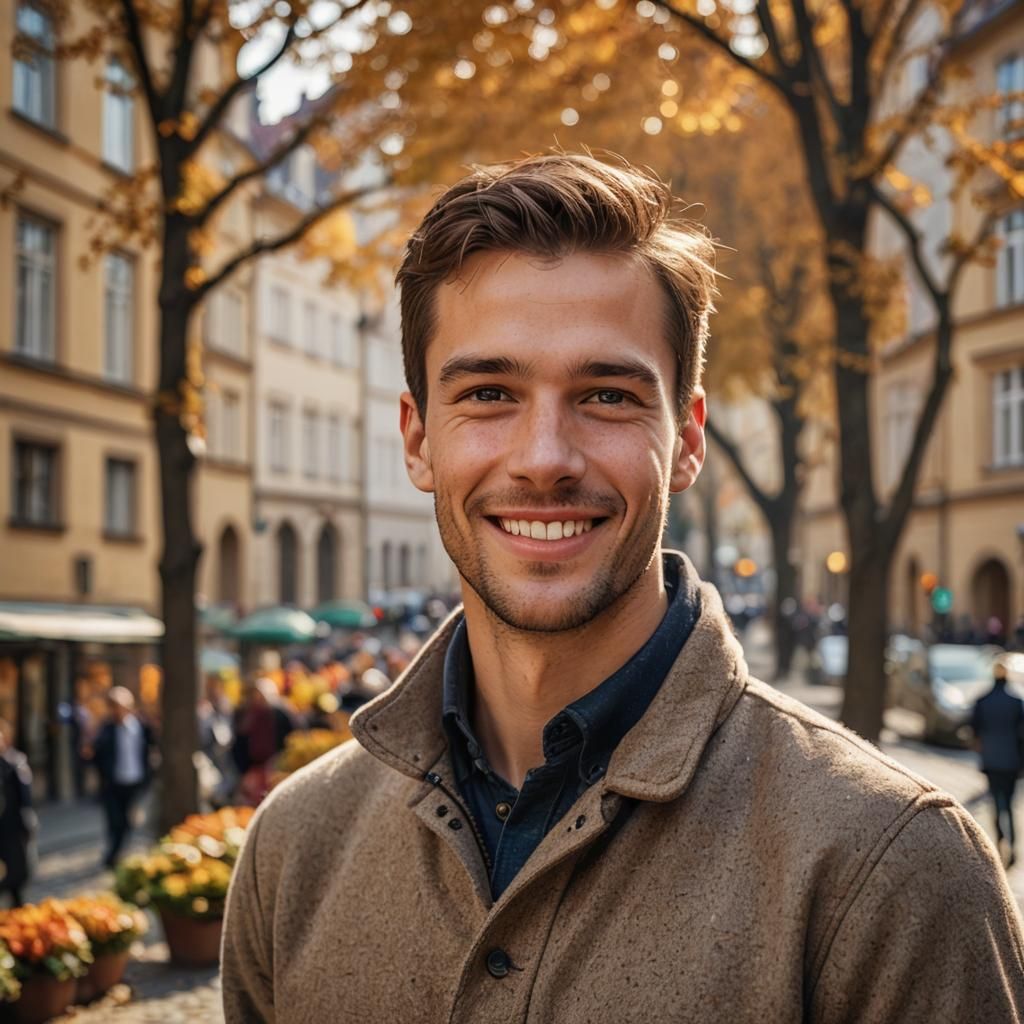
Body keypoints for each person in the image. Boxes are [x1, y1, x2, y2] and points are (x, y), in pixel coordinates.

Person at [222, 154, 1024, 1022]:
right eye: (489, 393)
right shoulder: (294, 850)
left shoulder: (891, 869)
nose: (544, 460)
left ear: (686, 441)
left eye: (606, 395)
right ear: (418, 440)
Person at [90, 687, 155, 869]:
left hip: (134, 781)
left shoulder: (140, 726)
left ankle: (118, 852)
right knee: (114, 820)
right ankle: (113, 854)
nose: (117, 711)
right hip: (113, 783)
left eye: (119, 706)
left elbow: (150, 749)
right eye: (113, 707)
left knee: (127, 821)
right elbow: (96, 754)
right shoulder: (106, 729)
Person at [970, 660, 1024, 867]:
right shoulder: (1016, 702)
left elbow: (975, 730)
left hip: (991, 760)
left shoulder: (983, 701)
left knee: (995, 803)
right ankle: (1013, 846)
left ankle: (1000, 841)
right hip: (1011, 761)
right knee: (1008, 805)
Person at [230, 678, 294, 806]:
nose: (257, 698)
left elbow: (290, 738)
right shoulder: (245, 714)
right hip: (252, 769)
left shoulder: (280, 714)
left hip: (275, 766)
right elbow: (238, 744)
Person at [0, 719, 35, 907]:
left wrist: (27, 821)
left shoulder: (14, 762)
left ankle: (17, 910)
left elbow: (25, 797)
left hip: (12, 826)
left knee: (17, 872)